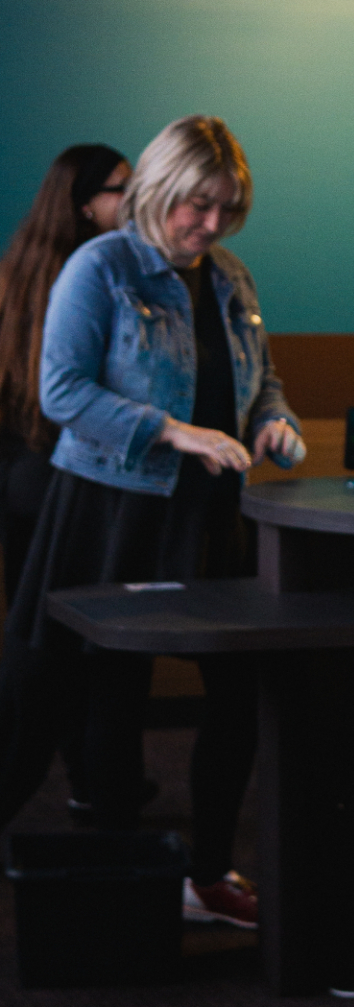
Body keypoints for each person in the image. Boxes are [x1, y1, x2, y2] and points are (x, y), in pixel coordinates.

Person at [0, 115, 305, 928]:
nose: (209, 226)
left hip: (211, 514)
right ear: (159, 191)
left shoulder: (231, 275)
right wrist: (171, 431)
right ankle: (123, 883)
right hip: (109, 507)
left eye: (226, 210)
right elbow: (61, 394)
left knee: (238, 695)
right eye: (195, 206)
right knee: (110, 699)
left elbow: (264, 380)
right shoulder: (100, 267)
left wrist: (273, 424)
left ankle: (206, 874)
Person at [0, 144, 132, 816]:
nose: (133, 202)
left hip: (18, 484)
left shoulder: (15, 273)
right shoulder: (94, 277)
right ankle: (93, 782)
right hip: (71, 485)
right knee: (77, 648)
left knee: (41, 640)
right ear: (85, 202)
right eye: (120, 189)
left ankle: (96, 779)